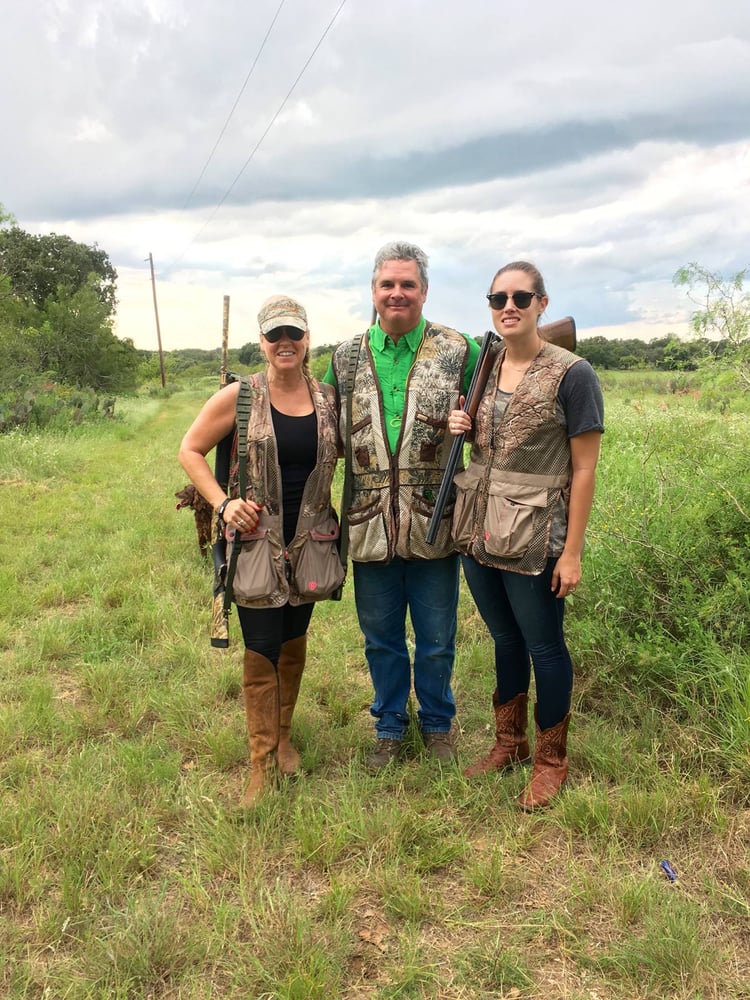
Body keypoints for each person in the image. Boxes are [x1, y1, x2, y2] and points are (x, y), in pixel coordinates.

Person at [448, 261, 604, 810]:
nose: (507, 306)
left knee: (543, 643)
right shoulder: (485, 367)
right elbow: (485, 446)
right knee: (506, 639)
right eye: (497, 298)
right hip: (480, 527)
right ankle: (509, 744)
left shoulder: (573, 373)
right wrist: (461, 426)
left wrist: (572, 552)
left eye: (520, 296)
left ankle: (550, 759)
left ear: (541, 302)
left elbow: (583, 468)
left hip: (538, 532)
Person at [179, 295, 341, 807]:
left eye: (293, 332)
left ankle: (286, 737)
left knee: (294, 640)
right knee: (261, 646)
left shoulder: (329, 398)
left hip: (311, 542)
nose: (284, 342)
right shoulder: (240, 397)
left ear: (308, 338)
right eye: (275, 335)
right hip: (255, 544)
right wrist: (223, 504)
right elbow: (190, 450)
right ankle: (259, 763)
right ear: (263, 342)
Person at [324, 241, 481, 770]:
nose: (397, 293)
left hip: (435, 521)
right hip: (368, 525)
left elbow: (492, 424)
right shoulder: (343, 357)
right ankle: (389, 727)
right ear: (372, 292)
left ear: (424, 291)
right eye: (387, 284)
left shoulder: (460, 350)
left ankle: (437, 726)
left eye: (407, 284)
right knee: (381, 640)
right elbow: (323, 434)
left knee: (437, 640)